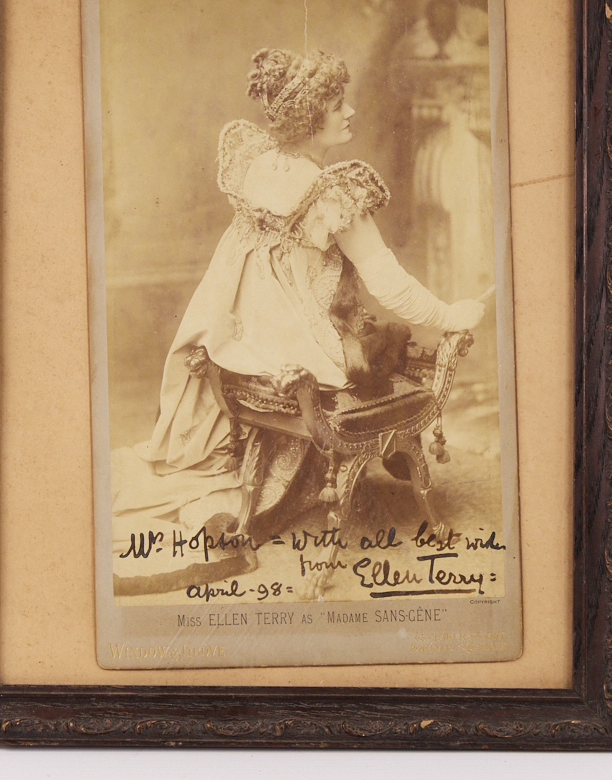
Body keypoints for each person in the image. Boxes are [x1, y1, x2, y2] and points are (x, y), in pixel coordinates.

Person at [110, 49, 485, 591]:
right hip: (303, 357)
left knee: (368, 331)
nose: (350, 112)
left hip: (241, 351)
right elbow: (388, 282)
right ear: (310, 118)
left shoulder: (261, 166)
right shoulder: (330, 193)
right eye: (337, 106)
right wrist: (454, 313)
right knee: (383, 342)